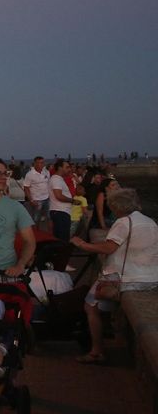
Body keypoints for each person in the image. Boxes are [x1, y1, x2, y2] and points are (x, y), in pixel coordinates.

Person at [71, 189, 158, 364]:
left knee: (90, 306)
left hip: (126, 279)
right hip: (150, 277)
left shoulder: (123, 222)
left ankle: (96, 351)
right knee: (99, 306)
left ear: (117, 206)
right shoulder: (150, 222)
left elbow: (108, 248)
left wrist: (83, 245)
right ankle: (106, 332)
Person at [48, 158, 75, 242]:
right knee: (62, 238)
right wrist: (72, 200)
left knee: (61, 237)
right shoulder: (56, 179)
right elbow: (59, 196)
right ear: (60, 168)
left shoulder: (59, 179)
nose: (69, 169)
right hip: (60, 212)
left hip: (62, 211)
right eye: (67, 167)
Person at [22, 156, 51, 228]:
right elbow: (26, 187)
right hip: (37, 200)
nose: (41, 164)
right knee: (36, 218)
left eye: (42, 162)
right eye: (39, 163)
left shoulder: (46, 172)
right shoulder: (30, 174)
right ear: (35, 163)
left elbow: (49, 184)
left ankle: (50, 234)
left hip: (47, 198)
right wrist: (31, 200)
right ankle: (35, 234)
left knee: (49, 217)